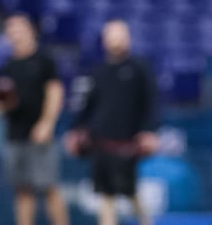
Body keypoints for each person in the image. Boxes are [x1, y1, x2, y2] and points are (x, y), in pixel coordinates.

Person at [66, 20, 160, 225]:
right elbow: (87, 107)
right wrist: (75, 131)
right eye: (111, 36)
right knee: (105, 195)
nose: (115, 41)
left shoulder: (139, 68)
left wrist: (149, 131)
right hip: (101, 143)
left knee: (130, 192)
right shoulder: (100, 72)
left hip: (127, 144)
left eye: (119, 35)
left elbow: (152, 102)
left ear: (128, 38)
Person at [0, 14, 69, 225]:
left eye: (19, 28)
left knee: (50, 187)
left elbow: (55, 92)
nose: (14, 34)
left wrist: (47, 123)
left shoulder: (44, 60)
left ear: (30, 31)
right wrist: (2, 105)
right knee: (22, 190)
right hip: (15, 134)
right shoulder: (8, 65)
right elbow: (1, 102)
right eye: (10, 30)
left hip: (40, 135)